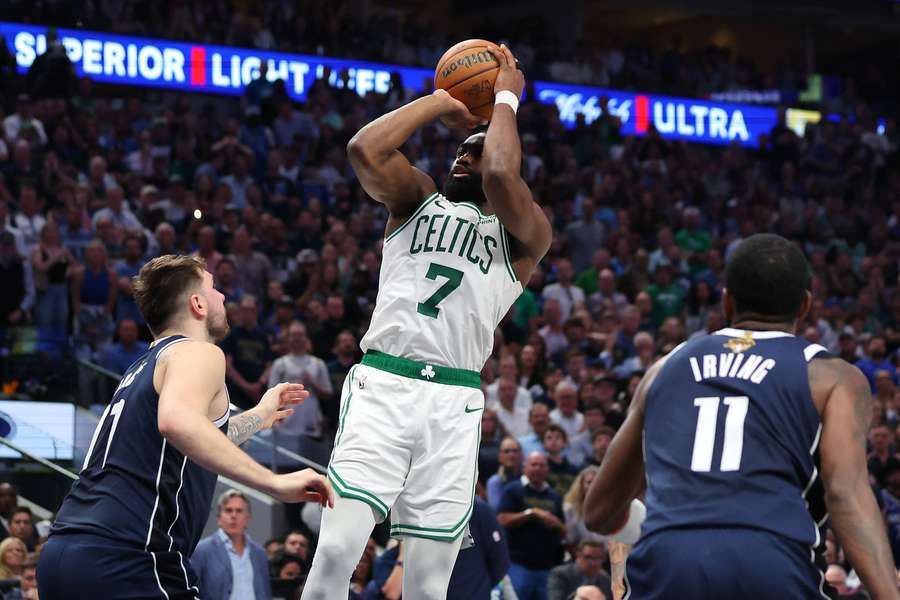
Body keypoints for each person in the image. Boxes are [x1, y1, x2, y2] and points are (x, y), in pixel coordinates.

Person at [302, 44, 550, 600]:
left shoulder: (524, 235)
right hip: (384, 384)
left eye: (478, 150)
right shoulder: (416, 200)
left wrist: (504, 98)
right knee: (337, 552)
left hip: (454, 405)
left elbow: (503, 173)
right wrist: (442, 101)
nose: (466, 157)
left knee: (429, 584)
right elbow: (364, 148)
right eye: (460, 151)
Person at [584, 234, 900, 598]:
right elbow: (846, 494)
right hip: (772, 563)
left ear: (727, 300)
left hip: (667, 564)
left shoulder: (664, 368)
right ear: (804, 306)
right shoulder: (833, 377)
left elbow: (599, 512)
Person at [38, 255, 332, 599]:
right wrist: (273, 481)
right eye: (214, 287)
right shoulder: (198, 352)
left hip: (62, 553)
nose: (223, 296)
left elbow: (190, 438)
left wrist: (258, 415)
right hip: (130, 555)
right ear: (197, 303)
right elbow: (177, 422)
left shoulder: (142, 367)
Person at [497, 452, 566, 600]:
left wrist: (555, 523)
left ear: (547, 470)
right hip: (518, 564)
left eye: (542, 465)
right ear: (525, 467)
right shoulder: (513, 490)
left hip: (547, 566)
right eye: (534, 464)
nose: (538, 468)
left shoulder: (554, 496)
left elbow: (564, 531)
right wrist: (531, 514)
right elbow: (502, 519)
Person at [192, 489, 272, 600]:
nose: (233, 516)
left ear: (247, 519)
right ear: (219, 518)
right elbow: (192, 592)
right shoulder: (202, 550)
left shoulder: (259, 553)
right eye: (228, 510)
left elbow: (266, 593)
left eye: (239, 511)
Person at [268, 321, 333, 440]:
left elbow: (328, 393)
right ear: (289, 338)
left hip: (311, 423)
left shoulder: (318, 364)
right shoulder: (280, 364)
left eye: (300, 335)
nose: (297, 338)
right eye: (294, 335)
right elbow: (271, 394)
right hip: (286, 424)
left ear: (306, 338)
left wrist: (313, 383)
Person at [547, 541, 612, 600]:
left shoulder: (605, 579)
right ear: (578, 555)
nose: (593, 563)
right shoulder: (560, 574)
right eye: (588, 557)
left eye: (598, 558)